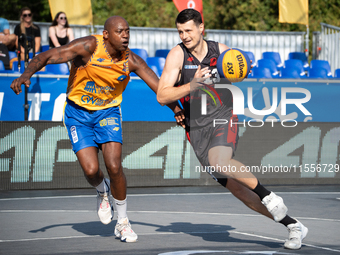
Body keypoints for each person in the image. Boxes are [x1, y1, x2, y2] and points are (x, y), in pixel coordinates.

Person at [10, 16, 181, 243]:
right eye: (120, 31)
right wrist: (26, 74)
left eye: (128, 31)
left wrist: (177, 109)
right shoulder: (89, 46)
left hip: (108, 112)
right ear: (106, 34)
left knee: (114, 165)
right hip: (77, 114)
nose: (126, 35)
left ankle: (122, 222)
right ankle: (102, 191)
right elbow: (48, 55)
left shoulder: (132, 60)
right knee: (91, 171)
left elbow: (159, 89)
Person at [157, 9, 308, 250]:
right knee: (238, 190)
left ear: (201, 28)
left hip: (222, 117)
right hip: (196, 129)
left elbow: (241, 71)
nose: (184, 36)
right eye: (180, 32)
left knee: (219, 160)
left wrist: (232, 74)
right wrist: (192, 85)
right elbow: (162, 95)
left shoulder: (221, 51)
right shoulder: (177, 55)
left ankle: (269, 196)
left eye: (188, 30)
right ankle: (294, 226)